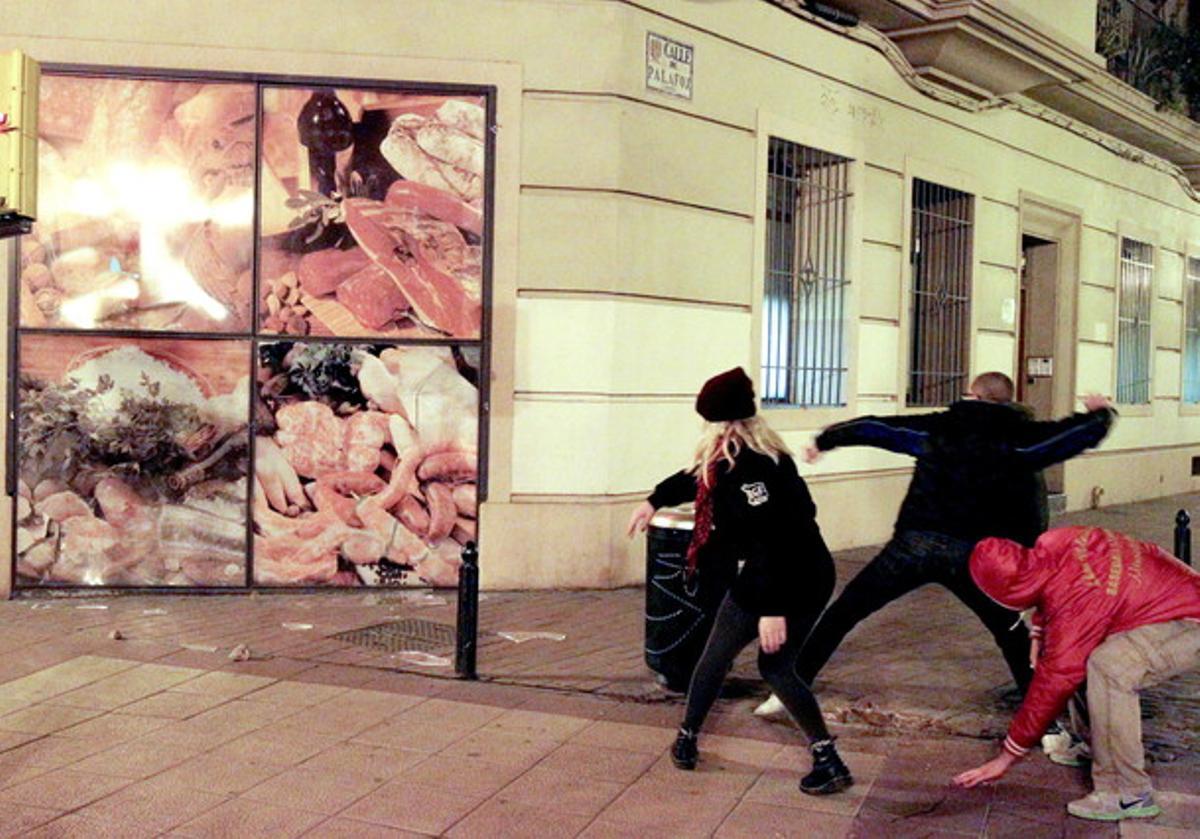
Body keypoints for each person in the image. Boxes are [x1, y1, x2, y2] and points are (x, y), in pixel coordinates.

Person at [795, 373, 1115, 694]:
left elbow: (877, 429)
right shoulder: (1023, 439)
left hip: (916, 544)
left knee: (845, 610)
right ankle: (1045, 722)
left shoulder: (939, 426)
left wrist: (825, 440)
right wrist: (1100, 413)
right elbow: (1074, 436)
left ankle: (792, 686)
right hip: (976, 555)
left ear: (972, 396)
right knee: (1009, 631)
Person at [627, 367, 850, 795]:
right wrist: (652, 499)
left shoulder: (754, 470)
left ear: (726, 423)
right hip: (796, 572)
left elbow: (777, 538)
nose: (706, 430)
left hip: (789, 577)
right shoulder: (735, 459)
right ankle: (687, 739)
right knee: (720, 655)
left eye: (709, 421)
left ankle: (827, 757)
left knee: (774, 667)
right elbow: (696, 479)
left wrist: (772, 609)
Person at [953, 526, 1200, 822]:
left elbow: (1052, 684)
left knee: (1110, 667)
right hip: (1169, 600)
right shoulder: (1056, 541)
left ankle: (1127, 792)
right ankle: (1099, 745)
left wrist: (1007, 756)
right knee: (1081, 655)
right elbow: (1054, 584)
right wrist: (1039, 634)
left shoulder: (1074, 605)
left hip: (1189, 621)